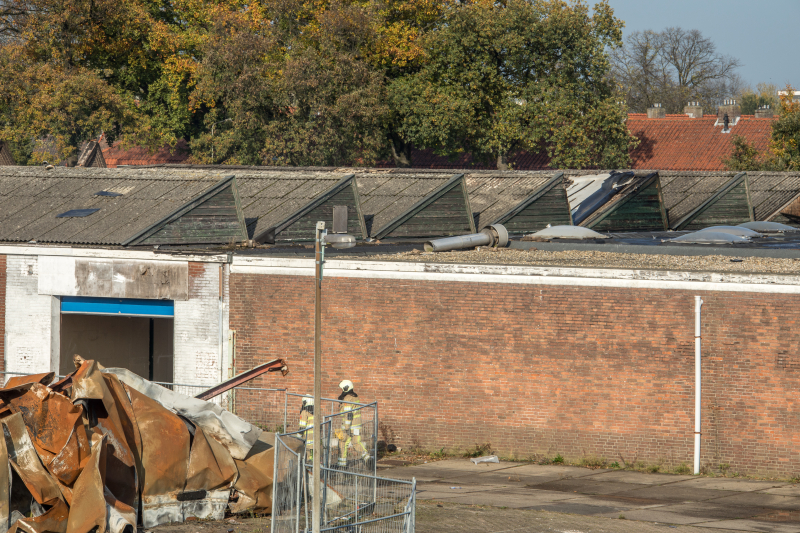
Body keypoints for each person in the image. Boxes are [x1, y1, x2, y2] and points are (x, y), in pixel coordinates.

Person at [335, 380, 370, 467]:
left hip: (349, 427)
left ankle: (342, 464)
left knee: (342, 443)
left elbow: (348, 414)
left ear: (346, 388)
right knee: (356, 443)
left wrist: (346, 428)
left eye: (342, 389)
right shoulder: (355, 396)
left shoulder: (347, 399)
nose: (342, 391)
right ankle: (367, 457)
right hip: (356, 426)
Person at [298, 395, 314, 460]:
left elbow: (302, 426)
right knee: (313, 455)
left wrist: (298, 436)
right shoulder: (315, 411)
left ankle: (307, 467)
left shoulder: (304, 412)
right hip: (314, 437)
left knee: (307, 455)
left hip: (307, 437)